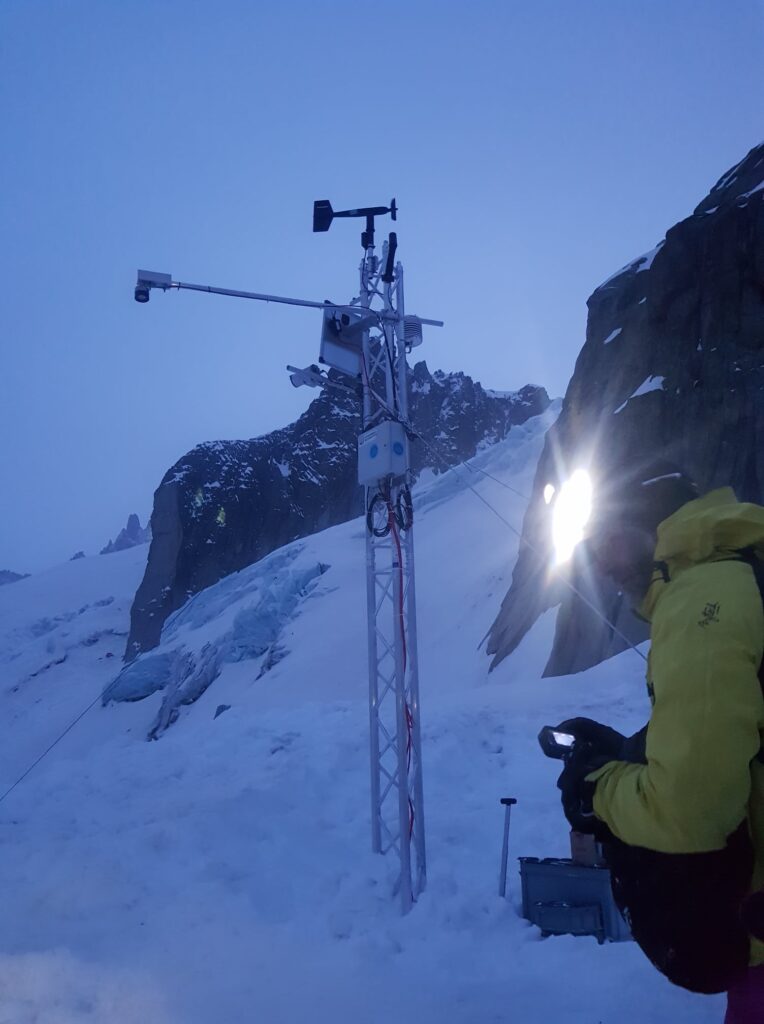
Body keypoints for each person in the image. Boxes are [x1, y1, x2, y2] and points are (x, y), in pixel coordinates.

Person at [553, 462, 764, 1021]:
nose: (601, 562)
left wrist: (597, 788)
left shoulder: (703, 601)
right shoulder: (742, 574)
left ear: (651, 519)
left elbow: (691, 809)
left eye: (607, 539)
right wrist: (635, 751)